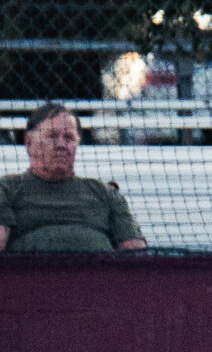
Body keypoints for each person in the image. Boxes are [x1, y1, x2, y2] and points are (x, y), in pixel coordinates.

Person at [0, 103, 146, 254]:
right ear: (29, 143)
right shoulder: (7, 188)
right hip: (33, 275)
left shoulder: (105, 193)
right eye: (52, 136)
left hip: (97, 275)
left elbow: (135, 252)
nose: (61, 145)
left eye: (69, 138)